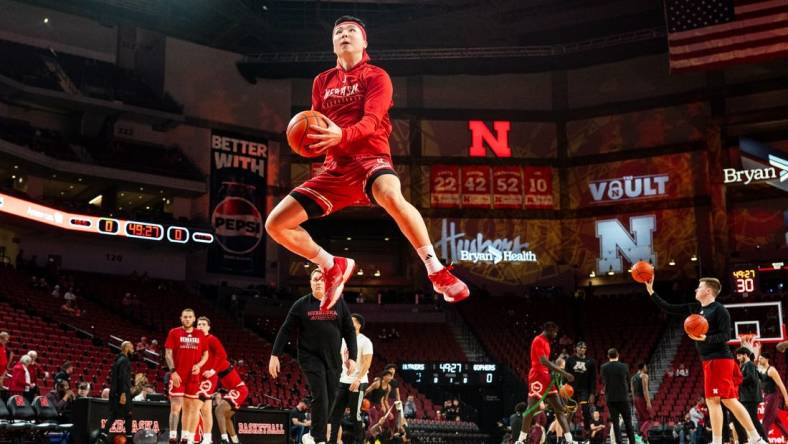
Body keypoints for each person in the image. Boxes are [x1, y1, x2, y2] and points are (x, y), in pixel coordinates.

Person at [264, 15, 469, 312]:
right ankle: (331, 264)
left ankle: (435, 270)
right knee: (276, 225)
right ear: (333, 44)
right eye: (338, 32)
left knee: (390, 194)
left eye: (351, 31)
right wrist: (311, 141)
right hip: (335, 168)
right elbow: (317, 124)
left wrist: (341, 135)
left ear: (364, 42)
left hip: (370, 158)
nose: (344, 34)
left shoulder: (376, 76)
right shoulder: (321, 81)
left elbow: (372, 122)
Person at [645, 276, 767, 444]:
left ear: (708, 291)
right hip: (710, 361)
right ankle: (749, 438)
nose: (696, 290)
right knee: (719, 401)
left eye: (699, 287)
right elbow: (669, 308)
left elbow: (726, 336)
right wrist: (651, 292)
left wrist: (705, 338)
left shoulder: (719, 310)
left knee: (723, 400)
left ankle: (753, 438)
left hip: (719, 359)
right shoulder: (696, 308)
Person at [270, 268, 357, 444]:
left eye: (321, 279)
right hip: (310, 357)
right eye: (314, 279)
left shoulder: (338, 303)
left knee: (331, 397)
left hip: (333, 359)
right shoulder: (301, 304)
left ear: (327, 283)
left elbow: (349, 331)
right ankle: (318, 438)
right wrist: (274, 355)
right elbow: (286, 329)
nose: (318, 282)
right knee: (321, 396)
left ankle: (310, 435)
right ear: (310, 283)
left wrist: (353, 357)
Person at [516, 322, 575, 444]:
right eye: (554, 332)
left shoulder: (547, 342)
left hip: (546, 376)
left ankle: (570, 440)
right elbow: (544, 361)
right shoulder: (538, 340)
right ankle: (520, 440)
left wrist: (555, 372)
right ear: (548, 329)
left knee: (559, 409)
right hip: (537, 376)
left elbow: (548, 363)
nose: (556, 334)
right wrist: (564, 373)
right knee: (530, 409)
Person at [165, 309, 209, 444]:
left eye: (190, 317)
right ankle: (172, 437)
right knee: (176, 406)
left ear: (194, 318)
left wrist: (200, 365)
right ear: (181, 318)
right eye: (185, 317)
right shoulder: (174, 332)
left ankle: (185, 437)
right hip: (178, 375)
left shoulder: (200, 334)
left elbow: (205, 354)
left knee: (190, 408)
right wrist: (173, 371)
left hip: (193, 377)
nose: (187, 319)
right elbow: (168, 353)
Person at [328, 313, 373, 444]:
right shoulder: (342, 340)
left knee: (355, 415)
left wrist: (358, 379)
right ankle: (332, 441)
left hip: (359, 382)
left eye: (351, 321)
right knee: (335, 414)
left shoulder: (365, 341)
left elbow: (367, 362)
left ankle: (359, 441)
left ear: (358, 324)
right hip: (343, 381)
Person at [194, 316, 228, 444]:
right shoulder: (195, 340)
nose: (201, 326)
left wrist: (213, 370)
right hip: (197, 377)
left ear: (208, 327)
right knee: (206, 409)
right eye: (199, 324)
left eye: (203, 324)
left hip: (209, 378)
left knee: (194, 407)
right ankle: (207, 439)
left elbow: (223, 355)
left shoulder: (212, 339)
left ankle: (193, 437)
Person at [96, 341, 134, 444]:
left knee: (113, 415)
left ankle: (102, 436)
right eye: (131, 347)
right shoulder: (124, 361)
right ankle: (129, 438)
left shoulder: (118, 360)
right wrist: (123, 394)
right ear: (126, 348)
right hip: (122, 392)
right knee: (128, 415)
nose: (133, 349)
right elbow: (122, 378)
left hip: (115, 392)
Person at [600, 348, 637, 444]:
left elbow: (603, 381)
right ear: (618, 355)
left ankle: (619, 442)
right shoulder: (624, 366)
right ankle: (632, 442)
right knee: (628, 421)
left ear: (608, 356)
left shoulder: (603, 367)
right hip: (623, 397)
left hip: (611, 398)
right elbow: (628, 381)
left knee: (615, 423)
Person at [733, 347, 766, 441]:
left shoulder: (749, 364)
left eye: (739, 355)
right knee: (750, 419)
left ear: (745, 355)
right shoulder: (745, 365)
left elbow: (751, 378)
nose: (738, 358)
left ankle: (764, 439)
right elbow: (760, 377)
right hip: (747, 397)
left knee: (753, 419)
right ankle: (756, 438)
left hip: (751, 397)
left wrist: (738, 380)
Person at [214, 364, 250, 444]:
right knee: (226, 417)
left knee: (218, 410)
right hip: (236, 389)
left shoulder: (219, 362)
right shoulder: (217, 365)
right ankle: (235, 441)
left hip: (239, 389)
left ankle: (224, 440)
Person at [565, 341, 596, 436]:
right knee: (570, 411)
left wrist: (592, 393)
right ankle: (565, 433)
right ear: (576, 348)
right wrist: (565, 389)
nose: (582, 349)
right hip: (571, 389)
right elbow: (565, 375)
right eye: (580, 347)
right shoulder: (570, 360)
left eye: (584, 348)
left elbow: (593, 378)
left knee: (586, 410)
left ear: (586, 349)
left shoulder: (591, 361)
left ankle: (587, 432)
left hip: (584, 390)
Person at [757, 350, 788, 438]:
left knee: (766, 420)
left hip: (773, 396)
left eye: (761, 358)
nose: (759, 360)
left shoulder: (772, 370)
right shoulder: (760, 368)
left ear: (767, 359)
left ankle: (763, 440)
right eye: (759, 358)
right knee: (776, 419)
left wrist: (786, 398)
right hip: (766, 396)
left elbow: (781, 385)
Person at [631, 363, 653, 442]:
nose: (646, 368)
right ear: (643, 367)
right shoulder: (644, 376)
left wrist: (634, 403)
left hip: (635, 399)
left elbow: (632, 391)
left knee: (641, 419)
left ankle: (644, 438)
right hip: (642, 398)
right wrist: (648, 402)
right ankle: (640, 433)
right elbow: (645, 390)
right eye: (646, 366)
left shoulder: (633, 377)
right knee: (649, 418)